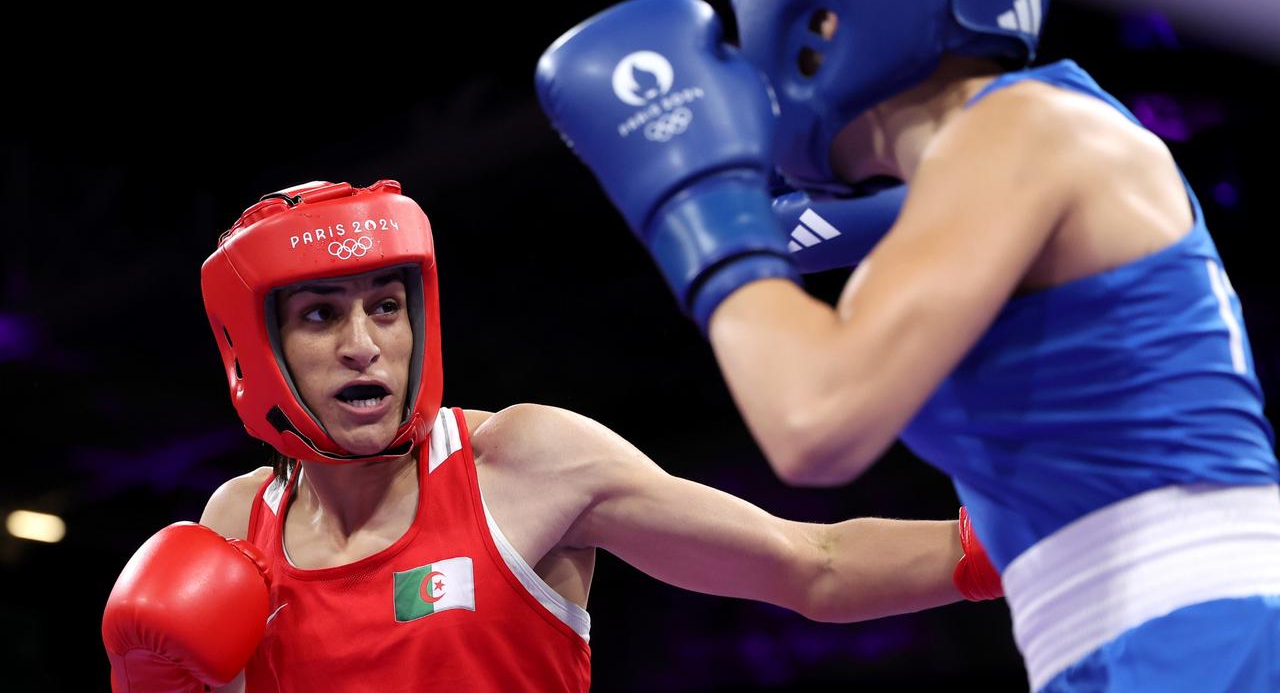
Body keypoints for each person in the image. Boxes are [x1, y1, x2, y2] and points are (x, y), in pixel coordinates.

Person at [534, 0, 1280, 691]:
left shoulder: (1023, 128)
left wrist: (700, 200)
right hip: (1118, 637)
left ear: (821, 18)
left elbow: (812, 420)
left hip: (1202, 622)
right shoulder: (1019, 151)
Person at [101, 179, 1002, 692]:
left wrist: (1015, 544)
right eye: (320, 315)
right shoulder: (235, 524)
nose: (365, 344)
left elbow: (814, 564)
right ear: (256, 347)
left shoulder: (520, 463)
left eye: (385, 307)